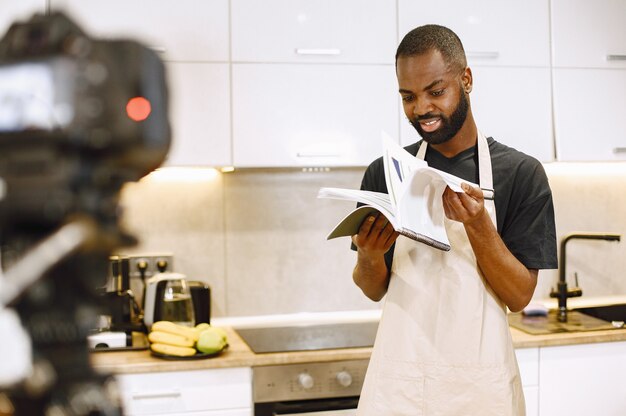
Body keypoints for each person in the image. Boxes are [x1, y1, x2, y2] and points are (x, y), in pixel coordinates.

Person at [352, 25, 557, 415]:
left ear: (466, 79)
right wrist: (368, 255)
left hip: (480, 390)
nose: (422, 108)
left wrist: (479, 226)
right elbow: (372, 288)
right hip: (401, 388)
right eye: (408, 97)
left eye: (436, 91)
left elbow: (518, 296)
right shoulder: (387, 172)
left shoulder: (521, 173)